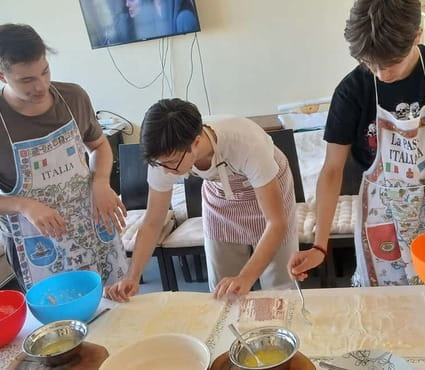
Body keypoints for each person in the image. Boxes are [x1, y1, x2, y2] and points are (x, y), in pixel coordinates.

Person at [288, 0, 425, 287]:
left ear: (418, 35)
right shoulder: (352, 91)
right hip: (383, 215)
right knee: (388, 314)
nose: (381, 74)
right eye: (371, 64)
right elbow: (332, 170)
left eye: (391, 63)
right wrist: (319, 245)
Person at [0, 24, 128, 290]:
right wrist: (25, 206)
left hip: (92, 224)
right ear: (1, 76)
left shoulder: (73, 97)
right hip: (39, 242)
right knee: (65, 318)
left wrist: (101, 181)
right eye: (27, 80)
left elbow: (100, 146)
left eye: (45, 72)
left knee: (119, 301)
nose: (41, 86)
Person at [105, 99, 298, 301]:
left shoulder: (246, 144)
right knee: (223, 289)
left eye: (171, 163)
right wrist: (132, 277)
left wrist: (246, 277)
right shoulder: (164, 157)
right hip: (220, 195)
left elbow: (276, 223)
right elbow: (153, 221)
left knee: (278, 287)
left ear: (196, 142)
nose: (165, 171)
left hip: (269, 188)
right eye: (160, 164)